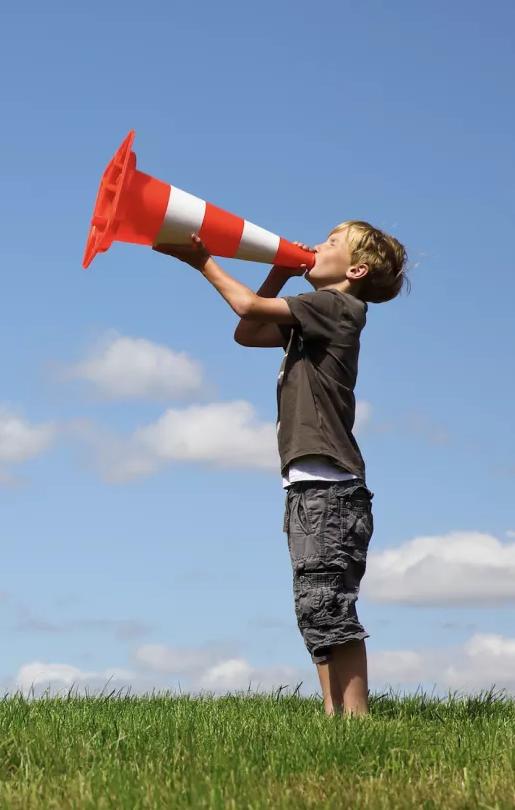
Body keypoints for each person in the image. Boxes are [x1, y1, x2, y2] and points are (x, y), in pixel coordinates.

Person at [154, 220, 409, 717]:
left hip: (329, 490)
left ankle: (357, 721)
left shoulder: (336, 307)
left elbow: (246, 308)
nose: (317, 245)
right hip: (309, 488)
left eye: (331, 244)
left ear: (355, 270)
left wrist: (201, 261)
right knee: (314, 606)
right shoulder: (314, 314)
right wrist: (275, 273)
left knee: (330, 605)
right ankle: (335, 718)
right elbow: (246, 333)